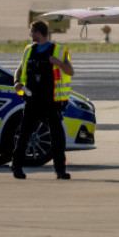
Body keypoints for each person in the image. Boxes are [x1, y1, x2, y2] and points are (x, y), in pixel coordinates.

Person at [11, 20, 74, 180]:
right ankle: (16, 167)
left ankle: (60, 171)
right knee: (24, 134)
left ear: (39, 33)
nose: (30, 34)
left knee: (57, 137)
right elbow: (20, 68)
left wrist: (58, 63)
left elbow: (70, 71)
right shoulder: (29, 50)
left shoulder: (59, 50)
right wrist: (17, 82)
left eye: (32, 31)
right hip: (32, 100)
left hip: (51, 101)